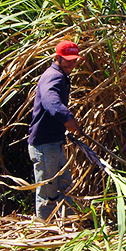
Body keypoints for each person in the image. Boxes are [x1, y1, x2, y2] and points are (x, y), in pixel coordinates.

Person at [27, 40, 83, 220]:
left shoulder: (60, 75)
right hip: (44, 144)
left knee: (65, 184)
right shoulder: (54, 76)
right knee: (48, 191)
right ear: (57, 58)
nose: (72, 64)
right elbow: (51, 102)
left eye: (74, 60)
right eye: (68, 60)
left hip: (53, 142)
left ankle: (69, 222)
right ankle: (45, 228)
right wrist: (67, 119)